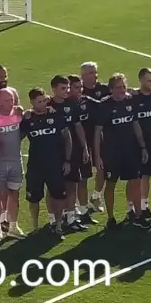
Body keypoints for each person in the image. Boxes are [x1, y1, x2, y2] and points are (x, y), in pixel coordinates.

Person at [94, 73, 151, 230]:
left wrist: (142, 146)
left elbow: (135, 124)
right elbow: (97, 132)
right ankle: (111, 217)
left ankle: (137, 215)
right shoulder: (104, 105)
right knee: (111, 184)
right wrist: (98, 156)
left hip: (130, 150)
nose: (122, 90)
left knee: (135, 182)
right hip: (111, 153)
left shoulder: (130, 100)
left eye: (124, 87)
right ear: (111, 89)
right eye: (118, 87)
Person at [21, 88, 72, 238]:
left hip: (56, 164)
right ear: (31, 102)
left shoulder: (56, 115)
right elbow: (17, 138)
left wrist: (67, 161)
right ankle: (35, 227)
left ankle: (58, 225)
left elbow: (67, 138)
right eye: (39, 102)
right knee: (34, 198)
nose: (43, 104)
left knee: (58, 196)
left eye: (44, 100)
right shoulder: (28, 119)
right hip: (35, 166)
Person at [45, 76, 89, 232]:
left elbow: (78, 126)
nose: (67, 91)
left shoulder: (72, 104)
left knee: (72, 184)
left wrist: (84, 147)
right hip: (53, 153)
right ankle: (53, 220)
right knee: (53, 187)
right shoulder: (47, 105)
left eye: (68, 88)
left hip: (73, 150)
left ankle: (70, 218)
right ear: (54, 88)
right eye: (63, 88)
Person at [0, 89, 25, 239]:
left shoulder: (18, 114)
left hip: (16, 161)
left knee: (14, 194)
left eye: (11, 100)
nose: (10, 103)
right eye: (6, 100)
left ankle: (13, 226)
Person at [67, 74, 99, 224]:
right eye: (76, 87)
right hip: (67, 150)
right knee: (70, 183)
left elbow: (103, 104)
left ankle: (84, 211)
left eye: (80, 87)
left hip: (83, 148)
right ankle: (69, 213)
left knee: (84, 180)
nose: (80, 90)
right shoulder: (61, 105)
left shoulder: (87, 101)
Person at [80, 61, 110, 211]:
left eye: (96, 72)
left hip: (101, 135)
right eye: (91, 73)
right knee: (83, 173)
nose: (95, 75)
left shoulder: (104, 89)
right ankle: (82, 205)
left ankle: (96, 197)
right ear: (82, 75)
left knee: (102, 167)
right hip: (82, 138)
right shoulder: (78, 91)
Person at [134, 68, 151, 219]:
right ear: (141, 81)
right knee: (135, 177)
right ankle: (132, 207)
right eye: (149, 80)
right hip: (136, 143)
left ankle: (144, 206)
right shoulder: (133, 98)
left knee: (147, 175)